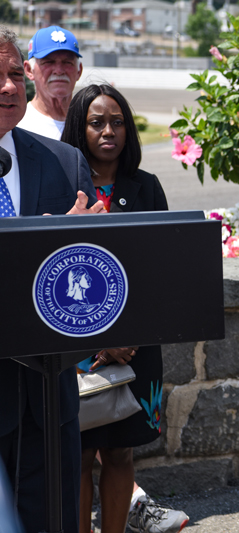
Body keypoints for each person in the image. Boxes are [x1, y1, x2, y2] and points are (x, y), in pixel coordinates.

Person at [60, 84, 189, 533]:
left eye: (117, 122)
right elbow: (55, 274)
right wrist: (98, 341)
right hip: (77, 350)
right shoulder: (60, 186)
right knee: (76, 455)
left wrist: (126, 336)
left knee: (120, 452)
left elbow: (160, 270)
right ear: (79, 129)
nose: (108, 131)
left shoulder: (146, 186)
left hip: (137, 347)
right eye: (96, 123)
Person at [0, 25, 103, 533]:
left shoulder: (65, 161)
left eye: (13, 74)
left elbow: (94, 269)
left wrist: (79, 243)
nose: (9, 87)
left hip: (47, 398)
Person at [18, 25, 82, 138]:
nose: (59, 71)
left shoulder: (91, 125)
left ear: (79, 70)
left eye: (67, 62)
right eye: (48, 62)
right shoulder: (17, 126)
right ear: (29, 70)